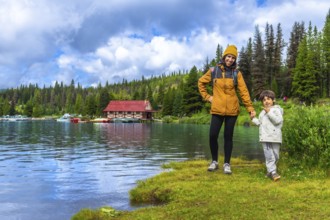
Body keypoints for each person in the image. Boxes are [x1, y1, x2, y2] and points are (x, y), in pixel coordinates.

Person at [198, 45, 256, 174]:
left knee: (228, 137)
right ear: (224, 57)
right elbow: (201, 82)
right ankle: (214, 161)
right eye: (228, 56)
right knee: (212, 136)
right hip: (217, 109)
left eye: (233, 58)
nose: (230, 59)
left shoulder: (237, 73)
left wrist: (250, 108)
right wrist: (208, 97)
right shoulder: (213, 71)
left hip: (232, 110)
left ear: (235, 60)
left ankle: (227, 164)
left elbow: (244, 92)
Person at [251, 90, 283, 181]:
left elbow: (278, 121)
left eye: (268, 99)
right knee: (269, 156)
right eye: (264, 100)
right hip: (266, 138)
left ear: (273, 100)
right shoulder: (262, 112)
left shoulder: (277, 110)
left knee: (276, 156)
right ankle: (273, 172)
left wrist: (269, 112)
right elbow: (260, 123)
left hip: (276, 137)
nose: (266, 101)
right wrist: (253, 118)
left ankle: (270, 171)